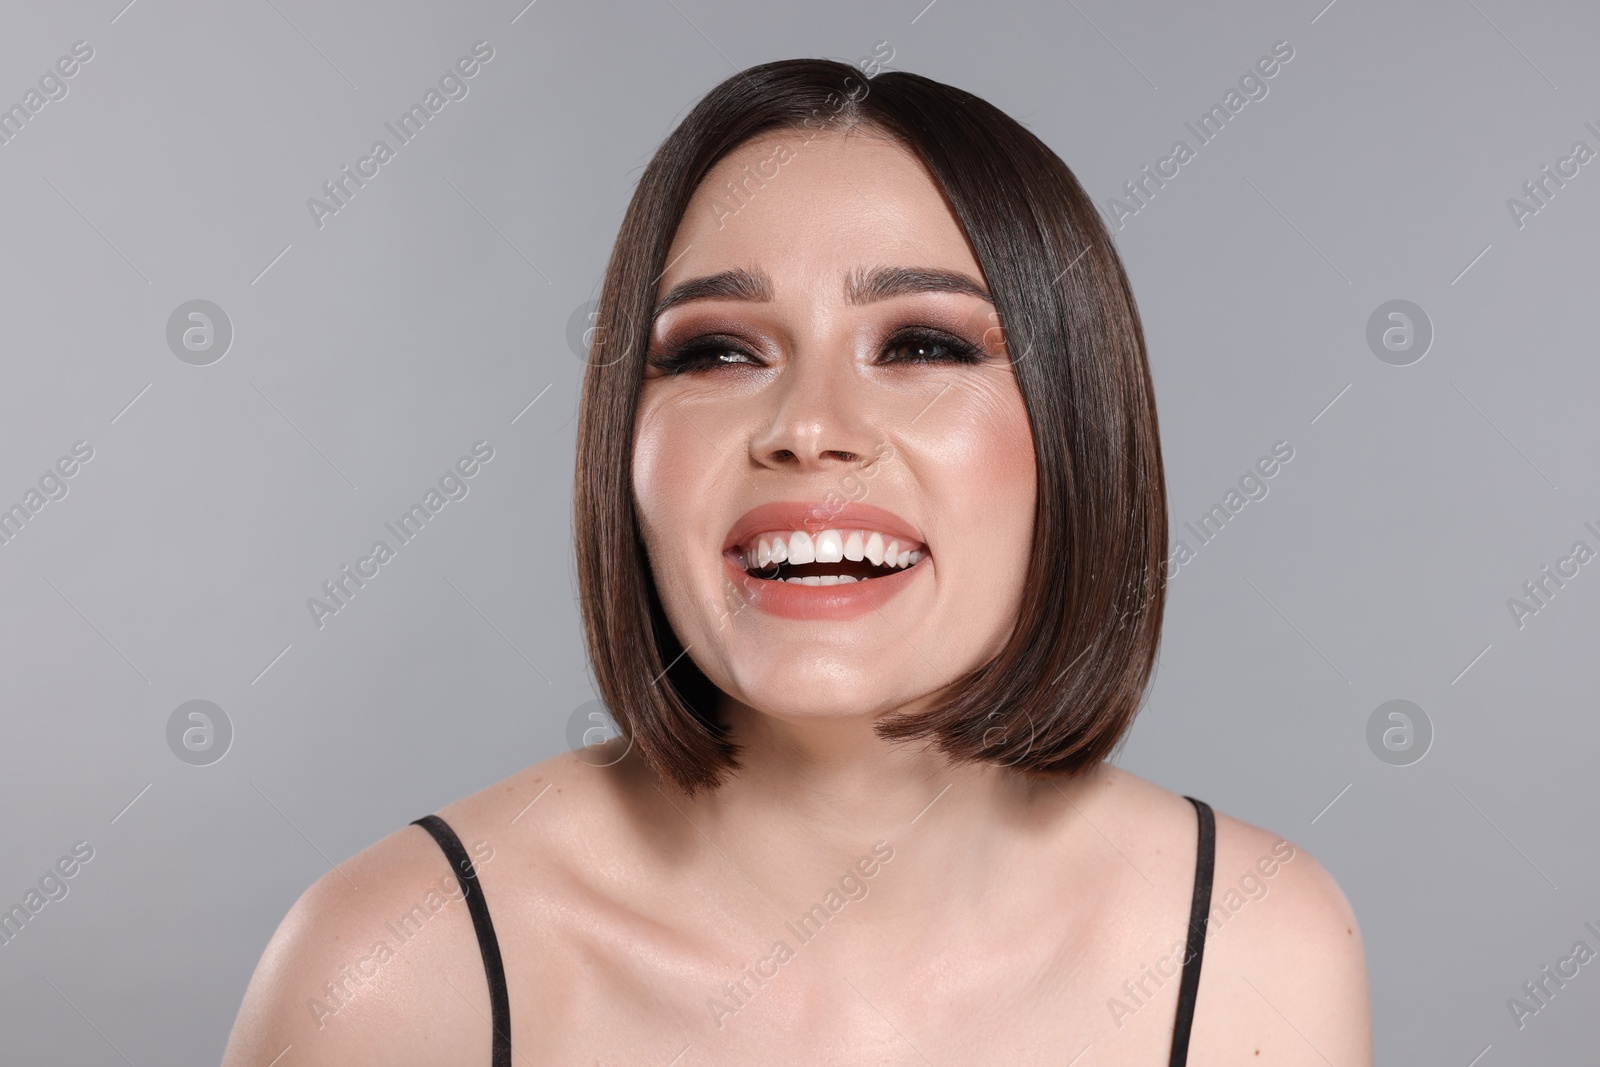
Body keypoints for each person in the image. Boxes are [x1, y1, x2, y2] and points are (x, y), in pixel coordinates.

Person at [222, 58, 1370, 1066]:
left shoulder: (1250, 949)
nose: (809, 425)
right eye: (717, 351)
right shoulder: (392, 970)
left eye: (920, 342)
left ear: (1077, 428)